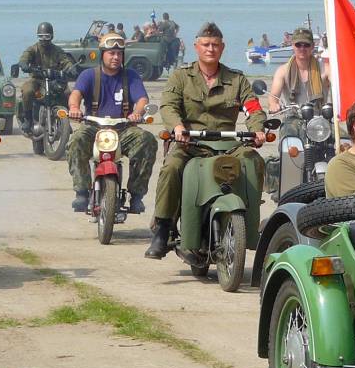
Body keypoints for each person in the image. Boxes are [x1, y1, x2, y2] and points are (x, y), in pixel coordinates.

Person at [145, 22, 267, 259]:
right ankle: (162, 228)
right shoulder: (181, 76)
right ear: (196, 47)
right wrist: (177, 126)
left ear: (222, 48)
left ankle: (251, 219)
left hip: (229, 146)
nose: (210, 49)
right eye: (205, 44)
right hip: (191, 145)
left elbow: (253, 108)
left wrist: (257, 130)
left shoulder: (237, 79)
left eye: (215, 45)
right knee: (171, 168)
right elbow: (168, 105)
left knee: (254, 161)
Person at [66, 33, 156, 213]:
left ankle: (137, 195)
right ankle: (82, 192)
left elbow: (142, 99)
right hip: (94, 128)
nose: (116, 57)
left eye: (119, 54)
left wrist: (137, 113)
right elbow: (76, 94)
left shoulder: (130, 76)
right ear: (102, 54)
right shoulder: (88, 75)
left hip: (123, 129)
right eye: (111, 53)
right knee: (76, 139)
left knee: (147, 140)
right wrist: (75, 108)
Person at [17, 22, 77, 134]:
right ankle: (28, 119)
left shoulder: (57, 50)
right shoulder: (33, 49)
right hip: (37, 79)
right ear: (38, 36)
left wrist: (70, 67)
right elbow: (24, 57)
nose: (44, 39)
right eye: (41, 36)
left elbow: (65, 60)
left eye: (47, 36)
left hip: (54, 80)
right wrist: (24, 64)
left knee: (68, 93)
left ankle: (65, 121)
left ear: (52, 36)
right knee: (27, 91)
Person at [268, 27, 328, 127]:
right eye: (298, 45)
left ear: (312, 46)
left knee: (342, 138)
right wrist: (274, 104)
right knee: (288, 139)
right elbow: (273, 96)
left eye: (306, 45)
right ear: (293, 46)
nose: (302, 48)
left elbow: (340, 86)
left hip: (319, 119)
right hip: (293, 118)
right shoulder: (282, 71)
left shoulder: (325, 69)